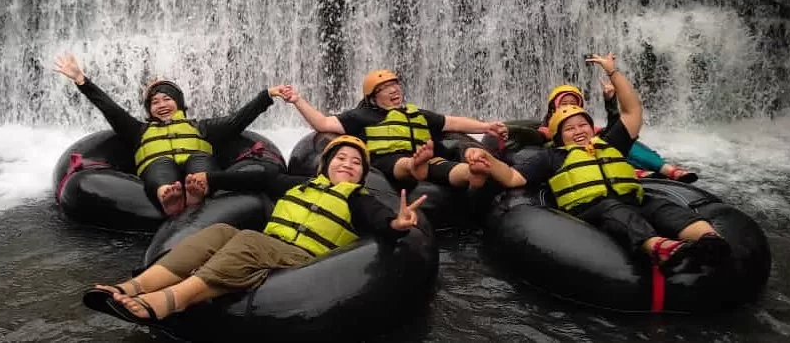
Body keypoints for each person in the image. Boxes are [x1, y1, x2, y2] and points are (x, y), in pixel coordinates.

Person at [83, 136, 427, 323]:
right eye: (341, 158)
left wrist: (396, 224)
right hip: (270, 246)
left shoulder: (359, 198)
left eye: (356, 163)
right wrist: (210, 179)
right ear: (326, 164)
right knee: (219, 231)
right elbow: (260, 177)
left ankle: (168, 301)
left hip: (305, 260)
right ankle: (130, 286)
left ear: (362, 174)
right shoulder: (299, 185)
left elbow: (381, 221)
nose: (348, 165)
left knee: (247, 239)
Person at [463, 54, 730, 273]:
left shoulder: (611, 144)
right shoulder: (551, 156)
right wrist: (488, 160)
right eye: (570, 129)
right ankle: (658, 248)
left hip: (632, 197)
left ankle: (710, 241)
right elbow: (512, 178)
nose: (578, 131)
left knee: (661, 205)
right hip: (593, 207)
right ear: (558, 136)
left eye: (583, 125)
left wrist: (614, 72)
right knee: (615, 210)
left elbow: (632, 111)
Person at [54, 54, 288, 216]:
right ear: (149, 110)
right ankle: (167, 195)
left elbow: (239, 119)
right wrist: (81, 81)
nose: (162, 104)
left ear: (180, 104)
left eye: (167, 99)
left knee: (201, 162)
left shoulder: (201, 127)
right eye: (155, 102)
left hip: (197, 163)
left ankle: (198, 189)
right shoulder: (139, 130)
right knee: (159, 167)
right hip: (158, 165)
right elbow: (110, 108)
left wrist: (266, 96)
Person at [282, 70, 508, 192]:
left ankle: (474, 173)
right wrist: (297, 100)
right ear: (372, 97)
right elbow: (323, 124)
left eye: (394, 85)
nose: (392, 91)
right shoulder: (360, 116)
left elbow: (453, 123)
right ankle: (414, 165)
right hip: (388, 162)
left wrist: (486, 126)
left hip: (426, 159)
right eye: (384, 89)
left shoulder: (414, 113)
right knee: (405, 164)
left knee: (444, 167)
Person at [539, 82, 698, 183]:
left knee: (628, 144)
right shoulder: (548, 128)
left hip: (603, 153)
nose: (568, 107)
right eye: (563, 103)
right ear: (554, 106)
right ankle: (634, 171)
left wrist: (610, 101)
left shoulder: (586, 126)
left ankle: (668, 170)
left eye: (573, 103)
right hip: (580, 162)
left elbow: (615, 129)